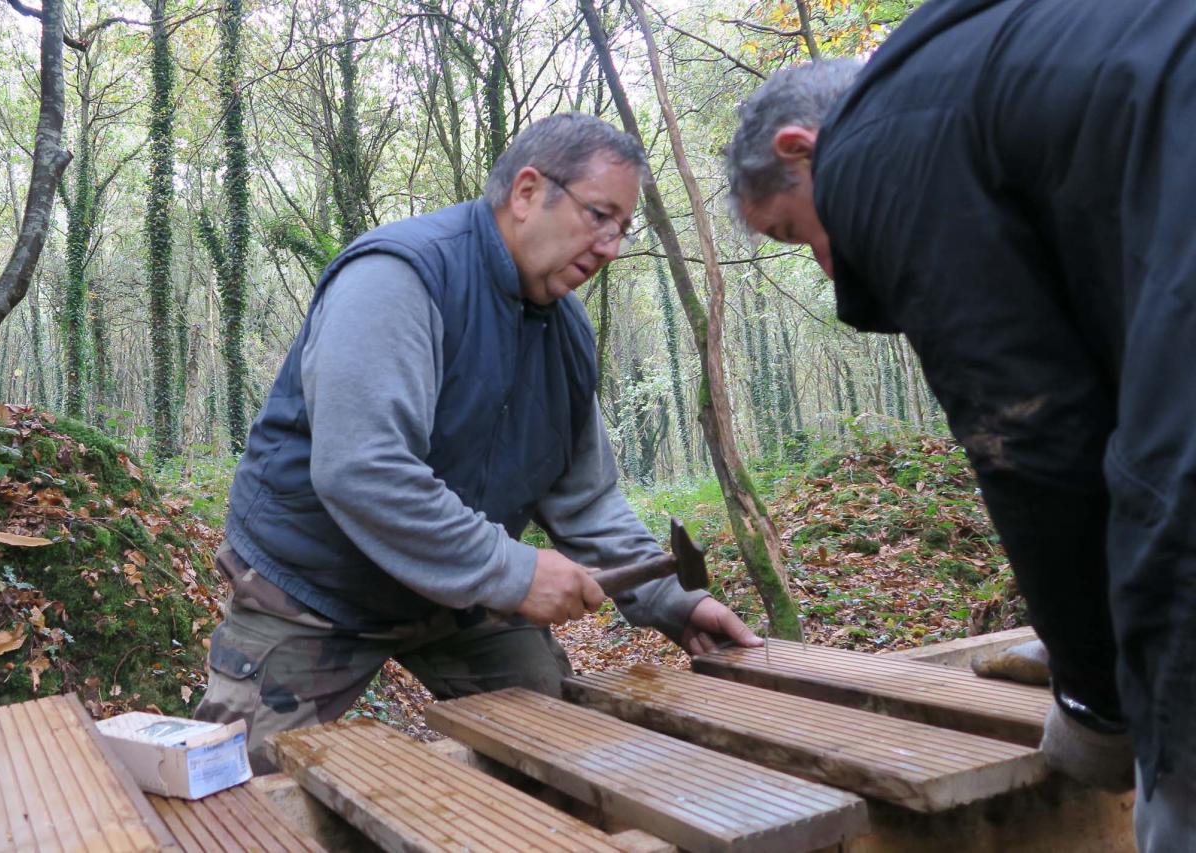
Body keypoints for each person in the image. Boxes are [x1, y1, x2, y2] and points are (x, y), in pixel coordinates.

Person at [723, 1, 1196, 846]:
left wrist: (1097, 698)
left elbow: (1031, 436)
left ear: (803, 148)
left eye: (800, 233)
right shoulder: (1004, 64)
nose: (831, 264)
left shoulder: (880, 144)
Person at [195, 112, 760, 773]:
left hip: (454, 595)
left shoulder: (568, 337)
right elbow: (361, 470)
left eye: (622, 229)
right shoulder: (402, 279)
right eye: (598, 215)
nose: (610, 246)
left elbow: (588, 503)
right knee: (234, 793)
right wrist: (513, 571)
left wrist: (674, 603)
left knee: (560, 753)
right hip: (314, 588)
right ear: (526, 193)